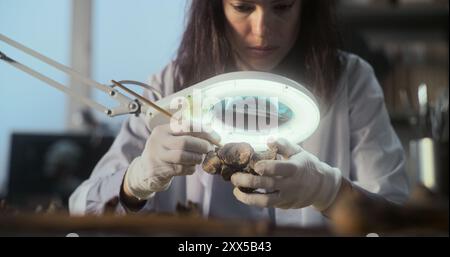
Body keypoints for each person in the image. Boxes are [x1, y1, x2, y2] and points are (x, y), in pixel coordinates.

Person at [69, 0, 410, 227]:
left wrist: (328, 192)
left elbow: (403, 227)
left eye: (282, 6)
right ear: (215, 8)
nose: (262, 29)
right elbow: (82, 212)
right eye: (243, 6)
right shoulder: (171, 84)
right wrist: (135, 181)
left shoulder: (351, 81)